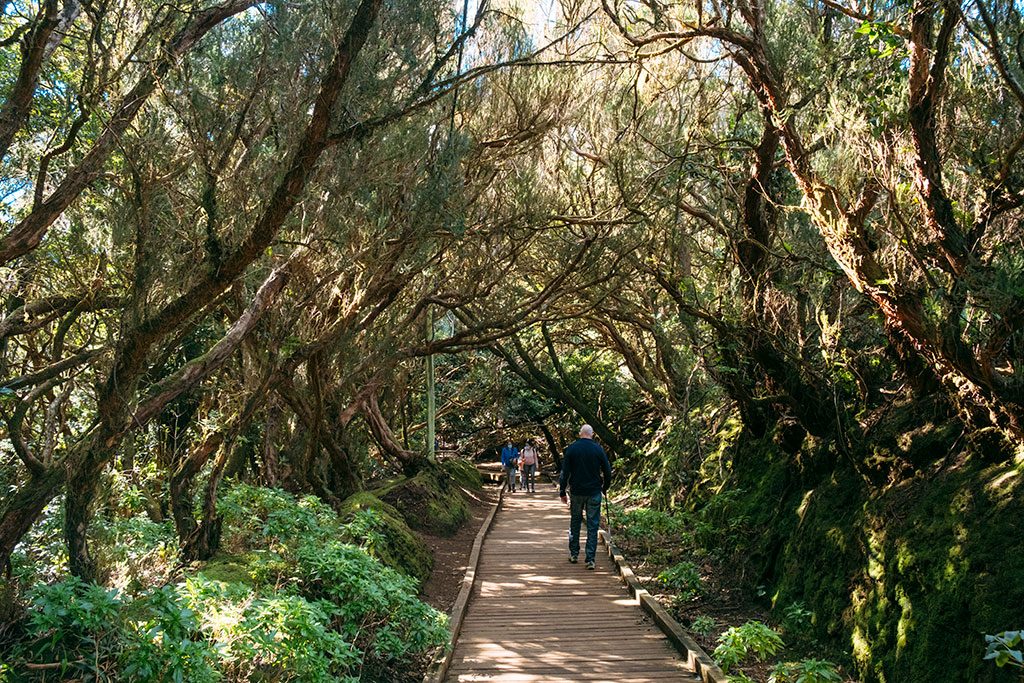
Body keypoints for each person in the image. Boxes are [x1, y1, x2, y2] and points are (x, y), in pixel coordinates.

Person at [559, 424, 611, 570]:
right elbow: (607, 471)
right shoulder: (598, 449)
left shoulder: (572, 448)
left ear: (580, 433)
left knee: (575, 521)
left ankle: (574, 554)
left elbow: (565, 472)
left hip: (576, 491)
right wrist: (605, 487)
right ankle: (590, 559)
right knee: (592, 525)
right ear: (592, 434)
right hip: (594, 492)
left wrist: (562, 491)